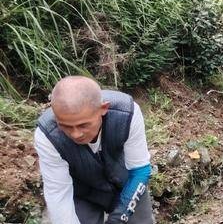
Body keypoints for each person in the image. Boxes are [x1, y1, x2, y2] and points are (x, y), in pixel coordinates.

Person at [34, 76, 154, 224]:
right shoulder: (48, 135)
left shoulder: (127, 114)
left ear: (103, 109)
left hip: (127, 183)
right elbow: (58, 193)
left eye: (83, 125)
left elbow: (140, 170)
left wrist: (117, 220)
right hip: (81, 192)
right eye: (65, 126)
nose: (75, 134)